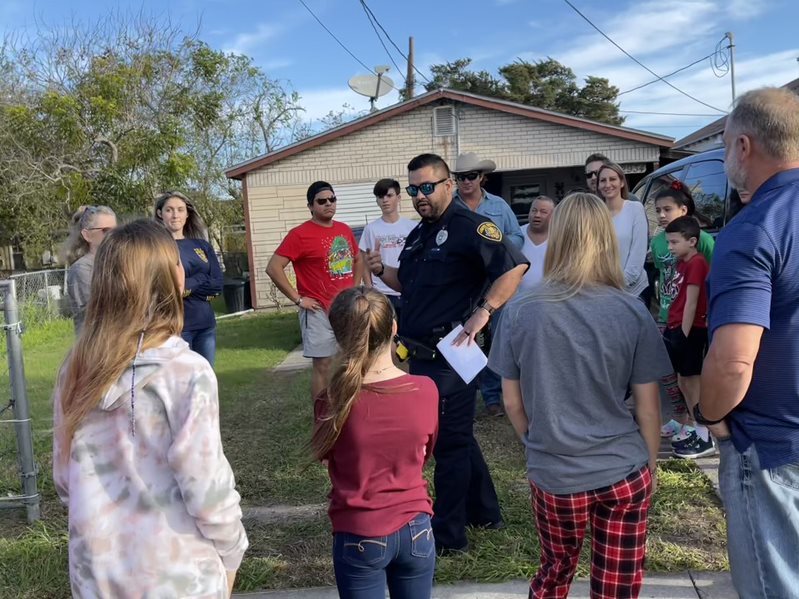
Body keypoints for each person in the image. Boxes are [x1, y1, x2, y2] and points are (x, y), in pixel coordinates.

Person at [52, 219, 248, 598]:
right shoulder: (186, 372)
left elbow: (65, 480)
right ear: (173, 277)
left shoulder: (73, 369)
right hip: (178, 574)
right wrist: (232, 554)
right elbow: (207, 488)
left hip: (97, 574)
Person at [489, 192, 670, 599]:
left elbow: (512, 403)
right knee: (617, 586)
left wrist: (535, 441)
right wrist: (652, 465)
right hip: (623, 470)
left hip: (555, 474)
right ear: (606, 239)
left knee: (554, 572)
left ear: (559, 236)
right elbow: (647, 406)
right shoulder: (631, 310)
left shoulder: (520, 311)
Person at [365, 153, 528, 555]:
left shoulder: (469, 226)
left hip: (453, 355)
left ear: (449, 185)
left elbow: (513, 267)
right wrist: (380, 270)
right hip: (421, 355)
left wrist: (484, 313)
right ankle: (485, 511)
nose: (420, 195)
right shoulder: (422, 232)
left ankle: (450, 537)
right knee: (455, 438)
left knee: (449, 444)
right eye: (414, 189)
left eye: (428, 186)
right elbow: (410, 284)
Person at [699, 87, 799, 598]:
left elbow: (734, 360)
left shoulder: (755, 225)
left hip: (773, 446)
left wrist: (711, 414)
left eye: (721, 147)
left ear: (743, 146)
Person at [312, 286, 438, 599]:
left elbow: (327, 454)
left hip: (359, 530)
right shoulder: (426, 390)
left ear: (338, 336)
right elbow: (426, 451)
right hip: (417, 528)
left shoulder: (332, 401)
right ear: (393, 327)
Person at [266, 181, 362, 400]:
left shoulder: (344, 229)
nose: (328, 204)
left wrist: (355, 288)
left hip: (346, 309)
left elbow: (358, 259)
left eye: (332, 199)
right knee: (323, 365)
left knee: (350, 361)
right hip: (318, 309)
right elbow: (273, 267)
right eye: (322, 201)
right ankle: (322, 417)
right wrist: (298, 299)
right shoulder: (299, 234)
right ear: (311, 206)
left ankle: (347, 407)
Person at [452, 152, 523, 417]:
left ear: (482, 177)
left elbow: (517, 235)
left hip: (496, 285)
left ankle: (493, 397)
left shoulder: (499, 206)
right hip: (462, 286)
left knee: (497, 340)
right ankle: (467, 398)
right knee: (465, 340)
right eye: (460, 177)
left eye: (471, 176)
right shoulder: (450, 207)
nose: (466, 181)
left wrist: (499, 248)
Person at [650, 183, 715, 445]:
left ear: (683, 210)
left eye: (668, 209)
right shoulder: (659, 242)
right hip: (669, 315)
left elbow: (704, 286)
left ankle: (701, 427)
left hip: (691, 323)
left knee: (691, 376)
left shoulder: (702, 247)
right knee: (678, 376)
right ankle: (687, 420)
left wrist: (688, 330)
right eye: (658, 210)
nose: (662, 214)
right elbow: (666, 278)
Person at [661, 216, 720, 459]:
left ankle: (704, 434)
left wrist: (683, 335)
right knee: (683, 381)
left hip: (690, 330)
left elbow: (692, 302)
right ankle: (693, 427)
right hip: (676, 326)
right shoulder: (682, 263)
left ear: (692, 241)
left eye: (674, 242)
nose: (670, 247)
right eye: (669, 242)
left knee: (692, 381)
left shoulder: (697, 263)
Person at [155, 191, 223, 366]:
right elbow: (167, 290)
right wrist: (201, 279)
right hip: (176, 328)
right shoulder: (156, 248)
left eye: (180, 209)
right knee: (181, 384)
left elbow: (217, 285)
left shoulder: (202, 246)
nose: (175, 214)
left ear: (187, 214)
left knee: (206, 380)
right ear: (160, 213)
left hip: (206, 326)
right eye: (169, 210)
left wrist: (188, 286)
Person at [358, 178, 417, 323]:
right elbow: (364, 261)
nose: (385, 200)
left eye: (389, 195)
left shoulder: (412, 227)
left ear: (398, 198)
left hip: (409, 291)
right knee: (387, 338)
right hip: (383, 294)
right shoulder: (371, 229)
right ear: (377, 201)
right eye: (380, 196)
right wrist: (369, 287)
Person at [61, 205, 117, 334]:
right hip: (96, 346)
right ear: (87, 235)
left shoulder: (117, 263)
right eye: (106, 230)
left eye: (116, 230)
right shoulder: (81, 269)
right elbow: (97, 314)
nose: (113, 236)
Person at [597, 162, 649, 300]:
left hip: (635, 291)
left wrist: (619, 285)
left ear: (621, 182)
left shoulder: (635, 209)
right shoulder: (596, 215)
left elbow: (638, 252)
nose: (607, 184)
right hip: (607, 293)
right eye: (603, 180)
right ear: (598, 186)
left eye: (612, 179)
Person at [517, 196, 555, 294]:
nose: (537, 215)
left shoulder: (559, 237)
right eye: (534, 210)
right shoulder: (517, 234)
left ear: (553, 215)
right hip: (518, 299)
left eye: (543, 212)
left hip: (550, 298)